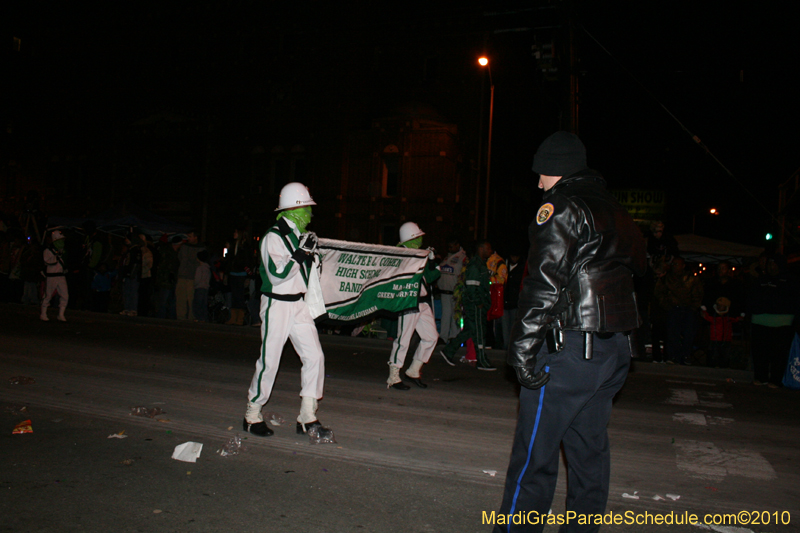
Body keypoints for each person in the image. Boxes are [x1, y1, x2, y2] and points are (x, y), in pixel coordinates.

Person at [494, 131, 646, 533]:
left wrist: (522, 350)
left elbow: (543, 282)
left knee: (534, 458)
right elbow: (638, 270)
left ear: (555, 170)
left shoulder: (560, 206)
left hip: (570, 348)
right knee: (588, 455)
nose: (538, 182)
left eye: (541, 174)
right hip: (613, 349)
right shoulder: (615, 209)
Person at [243, 182, 332, 439]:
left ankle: (307, 416)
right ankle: (252, 414)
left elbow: (306, 272)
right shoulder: (274, 236)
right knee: (270, 361)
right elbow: (278, 273)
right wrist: (302, 254)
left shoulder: (296, 236)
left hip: (298, 304)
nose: (310, 215)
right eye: (307, 209)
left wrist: (313, 257)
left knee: (315, 356)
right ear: (294, 209)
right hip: (277, 303)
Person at [385, 222, 441, 390]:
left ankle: (413, 371)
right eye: (417, 237)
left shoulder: (417, 255)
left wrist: (432, 261)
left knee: (431, 337)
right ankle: (393, 376)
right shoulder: (403, 257)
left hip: (422, 302)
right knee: (403, 339)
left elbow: (431, 276)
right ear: (410, 239)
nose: (420, 240)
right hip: (408, 301)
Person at [439, 241, 494, 370]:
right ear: (481, 249)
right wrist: (478, 302)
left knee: (470, 330)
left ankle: (448, 351)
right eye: (488, 248)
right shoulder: (476, 265)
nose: (490, 251)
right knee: (479, 332)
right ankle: (481, 360)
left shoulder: (479, 264)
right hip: (475, 305)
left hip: (476, 303)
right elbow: (471, 286)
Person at [747, 253, 799, 388]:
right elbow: (752, 298)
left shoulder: (789, 281)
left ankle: (775, 379)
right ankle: (760, 377)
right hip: (760, 320)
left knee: (778, 353)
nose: (771, 266)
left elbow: (792, 301)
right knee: (760, 352)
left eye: (773, 263)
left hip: (781, 323)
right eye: (769, 263)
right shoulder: (761, 280)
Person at [654, 256, 703, 365]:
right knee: (672, 334)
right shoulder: (667, 278)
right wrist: (667, 305)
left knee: (688, 335)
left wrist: (694, 307)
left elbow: (698, 293)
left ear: (683, 265)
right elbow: (659, 292)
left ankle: (685, 356)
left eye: (677, 264)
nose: (674, 266)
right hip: (674, 309)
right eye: (673, 264)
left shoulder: (691, 278)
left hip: (688, 310)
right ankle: (673, 356)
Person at [438, 235, 467, 343]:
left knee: (456, 315)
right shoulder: (447, 257)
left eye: (451, 246)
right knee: (445, 315)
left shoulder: (463, 257)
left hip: (456, 292)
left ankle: (455, 336)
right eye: (448, 247)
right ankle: (443, 336)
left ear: (457, 245)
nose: (449, 249)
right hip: (444, 291)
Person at [701, 297, 744, 369]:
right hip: (714, 339)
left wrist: (741, 317)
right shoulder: (714, 317)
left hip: (726, 340)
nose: (719, 307)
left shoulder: (729, 318)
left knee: (725, 355)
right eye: (718, 305)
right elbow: (706, 317)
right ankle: (712, 368)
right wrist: (704, 311)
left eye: (721, 305)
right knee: (713, 355)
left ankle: (724, 368)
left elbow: (737, 319)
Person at [224, 228, 253, 326]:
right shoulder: (233, 245)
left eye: (236, 232)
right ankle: (233, 318)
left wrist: (248, 276)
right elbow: (229, 260)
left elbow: (248, 261)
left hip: (241, 273)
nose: (234, 234)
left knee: (239, 296)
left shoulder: (245, 246)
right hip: (233, 273)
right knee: (234, 296)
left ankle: (239, 319)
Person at [41, 230, 70, 322]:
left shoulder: (63, 251)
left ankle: (61, 314)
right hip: (51, 276)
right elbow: (48, 261)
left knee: (65, 295)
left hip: (61, 276)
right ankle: (43, 313)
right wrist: (57, 256)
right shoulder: (48, 250)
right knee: (48, 295)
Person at [176, 230, 205, 320]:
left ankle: (191, 318)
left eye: (190, 236)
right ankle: (181, 318)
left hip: (193, 277)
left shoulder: (201, 248)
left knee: (192, 300)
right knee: (181, 299)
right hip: (182, 276)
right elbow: (180, 258)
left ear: (195, 237)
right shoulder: (184, 247)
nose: (188, 238)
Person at [485, 243, 508, 349]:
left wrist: (488, 280)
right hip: (485, 293)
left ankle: (491, 342)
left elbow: (502, 279)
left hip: (494, 295)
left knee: (491, 319)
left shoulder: (499, 262)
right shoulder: (484, 259)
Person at [501, 250, 525, 352]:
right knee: (504, 328)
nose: (514, 259)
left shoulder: (521, 269)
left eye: (517, 257)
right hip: (503, 303)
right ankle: (506, 347)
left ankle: (511, 348)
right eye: (513, 256)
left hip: (515, 303)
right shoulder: (503, 267)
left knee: (513, 328)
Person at [193, 250, 211, 323]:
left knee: (198, 303)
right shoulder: (207, 268)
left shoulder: (199, 268)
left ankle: (199, 317)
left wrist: (194, 284)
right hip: (205, 288)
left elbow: (197, 279)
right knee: (203, 304)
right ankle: (204, 318)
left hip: (199, 287)